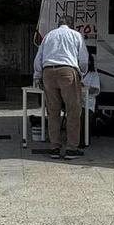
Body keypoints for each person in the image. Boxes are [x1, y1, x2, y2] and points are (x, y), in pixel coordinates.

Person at [33, 14, 89, 160]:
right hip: (67, 71)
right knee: (73, 110)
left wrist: (38, 76)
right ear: (71, 24)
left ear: (58, 24)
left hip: (48, 72)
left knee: (53, 111)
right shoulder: (76, 35)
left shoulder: (49, 36)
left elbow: (38, 58)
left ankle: (54, 147)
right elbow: (83, 58)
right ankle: (71, 148)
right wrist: (81, 73)